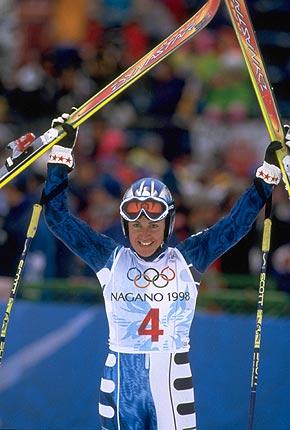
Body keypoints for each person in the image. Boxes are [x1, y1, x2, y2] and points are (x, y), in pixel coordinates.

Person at [43, 113, 290, 430]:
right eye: (136, 224)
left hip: (172, 382)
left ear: (169, 225)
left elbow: (235, 225)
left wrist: (266, 174)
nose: (144, 233)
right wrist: (60, 156)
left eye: (153, 225)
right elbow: (57, 218)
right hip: (121, 381)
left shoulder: (188, 258)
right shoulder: (110, 257)